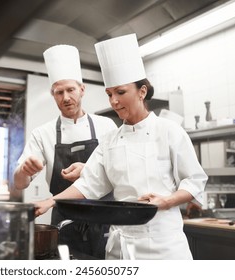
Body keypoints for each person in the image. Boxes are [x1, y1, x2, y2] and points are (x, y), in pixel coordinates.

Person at [34, 34, 208, 260]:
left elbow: (195, 180)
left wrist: (166, 201)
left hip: (164, 247)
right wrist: (49, 202)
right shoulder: (110, 140)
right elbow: (89, 184)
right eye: (109, 94)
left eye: (120, 92)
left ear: (142, 91)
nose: (113, 101)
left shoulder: (169, 131)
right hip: (120, 248)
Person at [13, 44, 118, 259]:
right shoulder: (42, 133)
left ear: (82, 89)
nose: (66, 97)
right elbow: (20, 183)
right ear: (53, 95)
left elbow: (119, 171)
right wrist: (24, 171)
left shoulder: (106, 126)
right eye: (59, 92)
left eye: (70, 90)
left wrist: (87, 170)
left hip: (103, 218)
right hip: (63, 221)